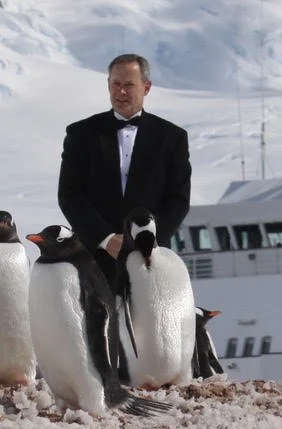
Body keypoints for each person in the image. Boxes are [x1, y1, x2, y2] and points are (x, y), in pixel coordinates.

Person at [58, 53, 191, 282]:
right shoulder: (81, 135)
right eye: (115, 84)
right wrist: (107, 239)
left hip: (152, 261)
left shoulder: (172, 138)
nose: (121, 92)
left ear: (146, 87)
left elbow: (178, 199)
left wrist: (147, 242)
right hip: (93, 260)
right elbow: (70, 195)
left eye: (129, 85)